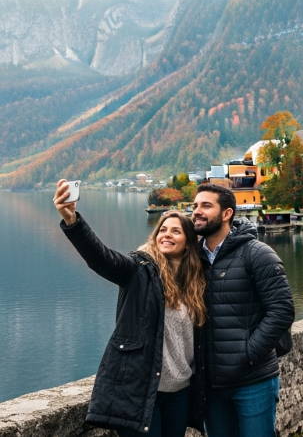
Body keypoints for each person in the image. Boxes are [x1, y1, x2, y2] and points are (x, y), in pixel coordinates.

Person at [54, 179, 206, 436]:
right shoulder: (139, 270)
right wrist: (72, 221)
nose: (166, 234)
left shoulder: (197, 283)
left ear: (189, 242)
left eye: (175, 231)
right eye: (162, 230)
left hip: (180, 393)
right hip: (142, 392)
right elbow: (101, 258)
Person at [191, 184, 295, 437]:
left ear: (227, 214)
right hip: (212, 383)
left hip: (253, 380)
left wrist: (249, 353)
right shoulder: (192, 258)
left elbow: (282, 310)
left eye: (206, 206)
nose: (196, 211)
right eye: (195, 206)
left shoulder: (258, 254)